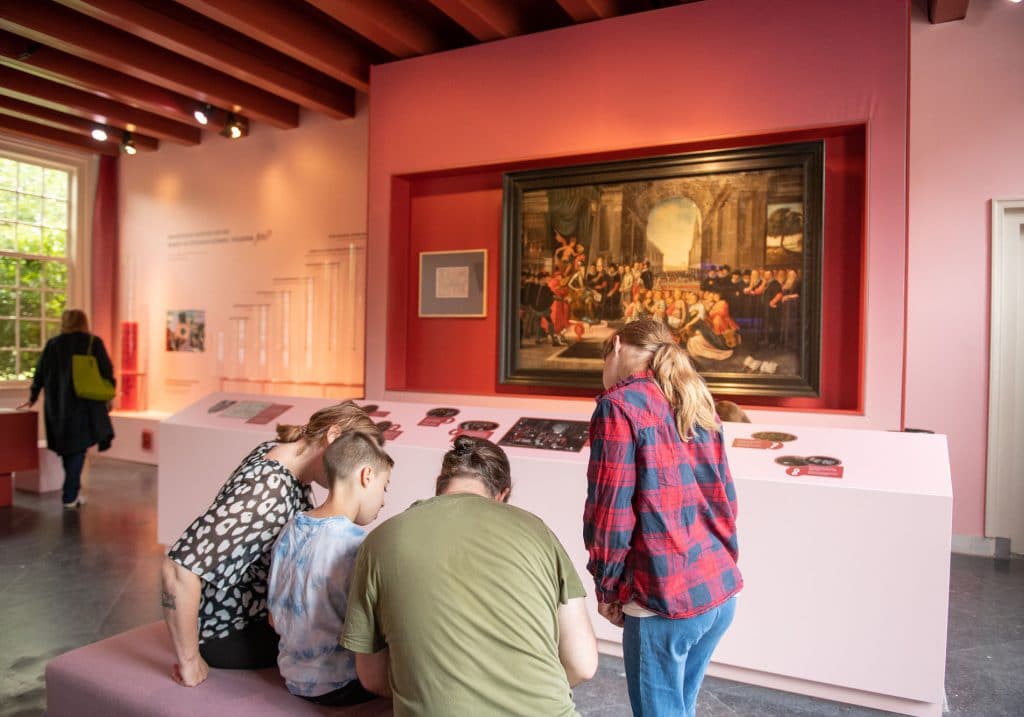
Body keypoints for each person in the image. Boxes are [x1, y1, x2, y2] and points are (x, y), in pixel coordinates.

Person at [342, 436, 598, 716]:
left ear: (439, 488)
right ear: (502, 494)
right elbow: (583, 665)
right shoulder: (538, 532)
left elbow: (372, 678)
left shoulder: (380, 541)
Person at [160, 402, 383, 687]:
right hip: (231, 631)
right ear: (333, 435)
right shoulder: (268, 488)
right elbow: (177, 569)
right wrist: (189, 661)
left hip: (253, 616)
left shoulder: (281, 457)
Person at [585, 318, 742, 717]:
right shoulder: (693, 395)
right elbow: (724, 496)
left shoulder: (618, 406)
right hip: (716, 589)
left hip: (663, 600)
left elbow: (610, 514)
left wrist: (607, 589)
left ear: (616, 347)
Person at [268, 430, 393, 706]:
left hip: (293, 676)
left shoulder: (291, 528)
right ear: (366, 476)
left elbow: (274, 617)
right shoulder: (358, 545)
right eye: (384, 488)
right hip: (341, 683)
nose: (382, 501)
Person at [18, 309, 115, 508]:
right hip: (85, 404)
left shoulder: (54, 345)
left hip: (58, 405)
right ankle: (70, 494)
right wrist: (109, 395)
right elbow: (106, 371)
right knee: (78, 449)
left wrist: (33, 397)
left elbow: (40, 374)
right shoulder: (92, 343)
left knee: (68, 449)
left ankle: (72, 492)